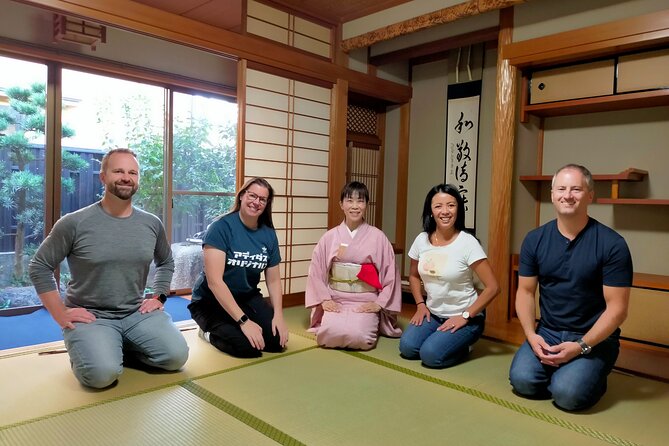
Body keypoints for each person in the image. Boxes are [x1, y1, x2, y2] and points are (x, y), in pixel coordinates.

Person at [29, 148, 189, 389]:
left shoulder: (150, 223)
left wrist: (160, 296)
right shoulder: (74, 222)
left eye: (132, 172)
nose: (126, 177)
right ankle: (96, 349)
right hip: (92, 315)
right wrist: (60, 313)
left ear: (137, 179)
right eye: (118, 171)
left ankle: (117, 347)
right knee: (101, 375)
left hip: (136, 312)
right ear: (103, 177)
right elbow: (39, 266)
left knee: (176, 357)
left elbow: (166, 261)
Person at [509, 164, 633, 411]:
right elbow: (524, 292)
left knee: (568, 396)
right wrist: (531, 336)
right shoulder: (535, 240)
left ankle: (586, 375)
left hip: (593, 337)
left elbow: (617, 309)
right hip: (548, 331)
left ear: (590, 195)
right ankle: (567, 373)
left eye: (576, 189)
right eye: (561, 188)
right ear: (552, 194)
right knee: (522, 381)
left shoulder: (612, 244)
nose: (567, 195)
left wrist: (581, 346)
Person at [399, 183, 499, 368]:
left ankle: (464, 345)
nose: (445, 211)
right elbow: (413, 276)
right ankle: (443, 339)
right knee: (408, 348)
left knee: (430, 356)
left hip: (467, 317)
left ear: (458, 209)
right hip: (433, 314)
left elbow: (493, 287)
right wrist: (420, 305)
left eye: (451, 205)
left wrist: (466, 315)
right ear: (430, 211)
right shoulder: (422, 240)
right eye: (438, 206)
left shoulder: (468, 243)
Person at [188, 177, 289, 358]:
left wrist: (279, 316)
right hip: (211, 302)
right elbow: (215, 282)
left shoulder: (268, 234)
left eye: (262, 199)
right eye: (252, 195)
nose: (256, 202)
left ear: (266, 204)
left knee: (275, 342)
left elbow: (273, 280)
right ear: (242, 196)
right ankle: (207, 333)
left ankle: (236, 323)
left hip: (246, 298)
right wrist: (244, 322)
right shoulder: (221, 227)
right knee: (247, 348)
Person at [305, 181, 402, 350]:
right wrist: (324, 299)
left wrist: (379, 304)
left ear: (367, 205)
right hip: (336, 298)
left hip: (366, 299)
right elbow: (316, 271)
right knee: (328, 335)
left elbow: (391, 275)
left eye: (360, 201)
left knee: (360, 338)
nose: (355, 206)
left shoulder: (378, 237)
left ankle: (372, 320)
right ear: (341, 204)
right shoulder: (330, 237)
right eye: (350, 201)